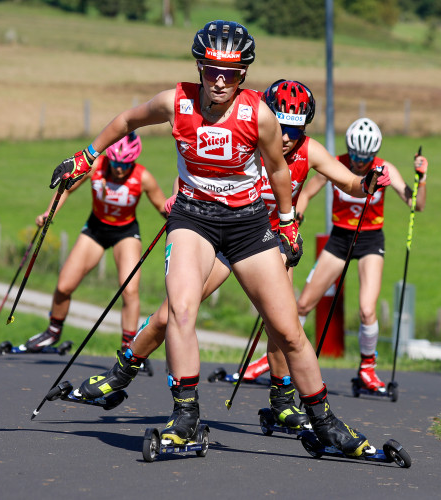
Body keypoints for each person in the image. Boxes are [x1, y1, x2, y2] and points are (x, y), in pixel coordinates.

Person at [49, 20, 376, 458]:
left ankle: (324, 421)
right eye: (211, 71)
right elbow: (128, 119)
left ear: (244, 74)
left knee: (288, 329)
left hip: (247, 226)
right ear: (199, 67)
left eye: (232, 72)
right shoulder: (176, 101)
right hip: (194, 218)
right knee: (179, 310)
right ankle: (183, 416)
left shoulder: (258, 114)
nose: (220, 81)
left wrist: (287, 221)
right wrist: (86, 157)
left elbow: (280, 170)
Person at [293, 117, 428, 394]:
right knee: (303, 305)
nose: (358, 162)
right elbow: (306, 194)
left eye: (364, 157)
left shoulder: (384, 168)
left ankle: (367, 367)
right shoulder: (335, 164)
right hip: (340, 239)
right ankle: (280, 358)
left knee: (367, 309)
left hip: (370, 240)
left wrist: (422, 179)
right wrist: (296, 216)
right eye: (354, 154)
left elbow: (416, 204)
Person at [24, 132, 167, 352]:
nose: (119, 169)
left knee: (129, 290)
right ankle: (52, 333)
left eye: (126, 164)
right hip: (96, 229)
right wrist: (48, 214)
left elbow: (162, 208)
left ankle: (130, 349)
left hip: (126, 233)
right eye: (116, 162)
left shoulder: (143, 177)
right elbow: (66, 189)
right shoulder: (97, 166)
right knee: (64, 285)